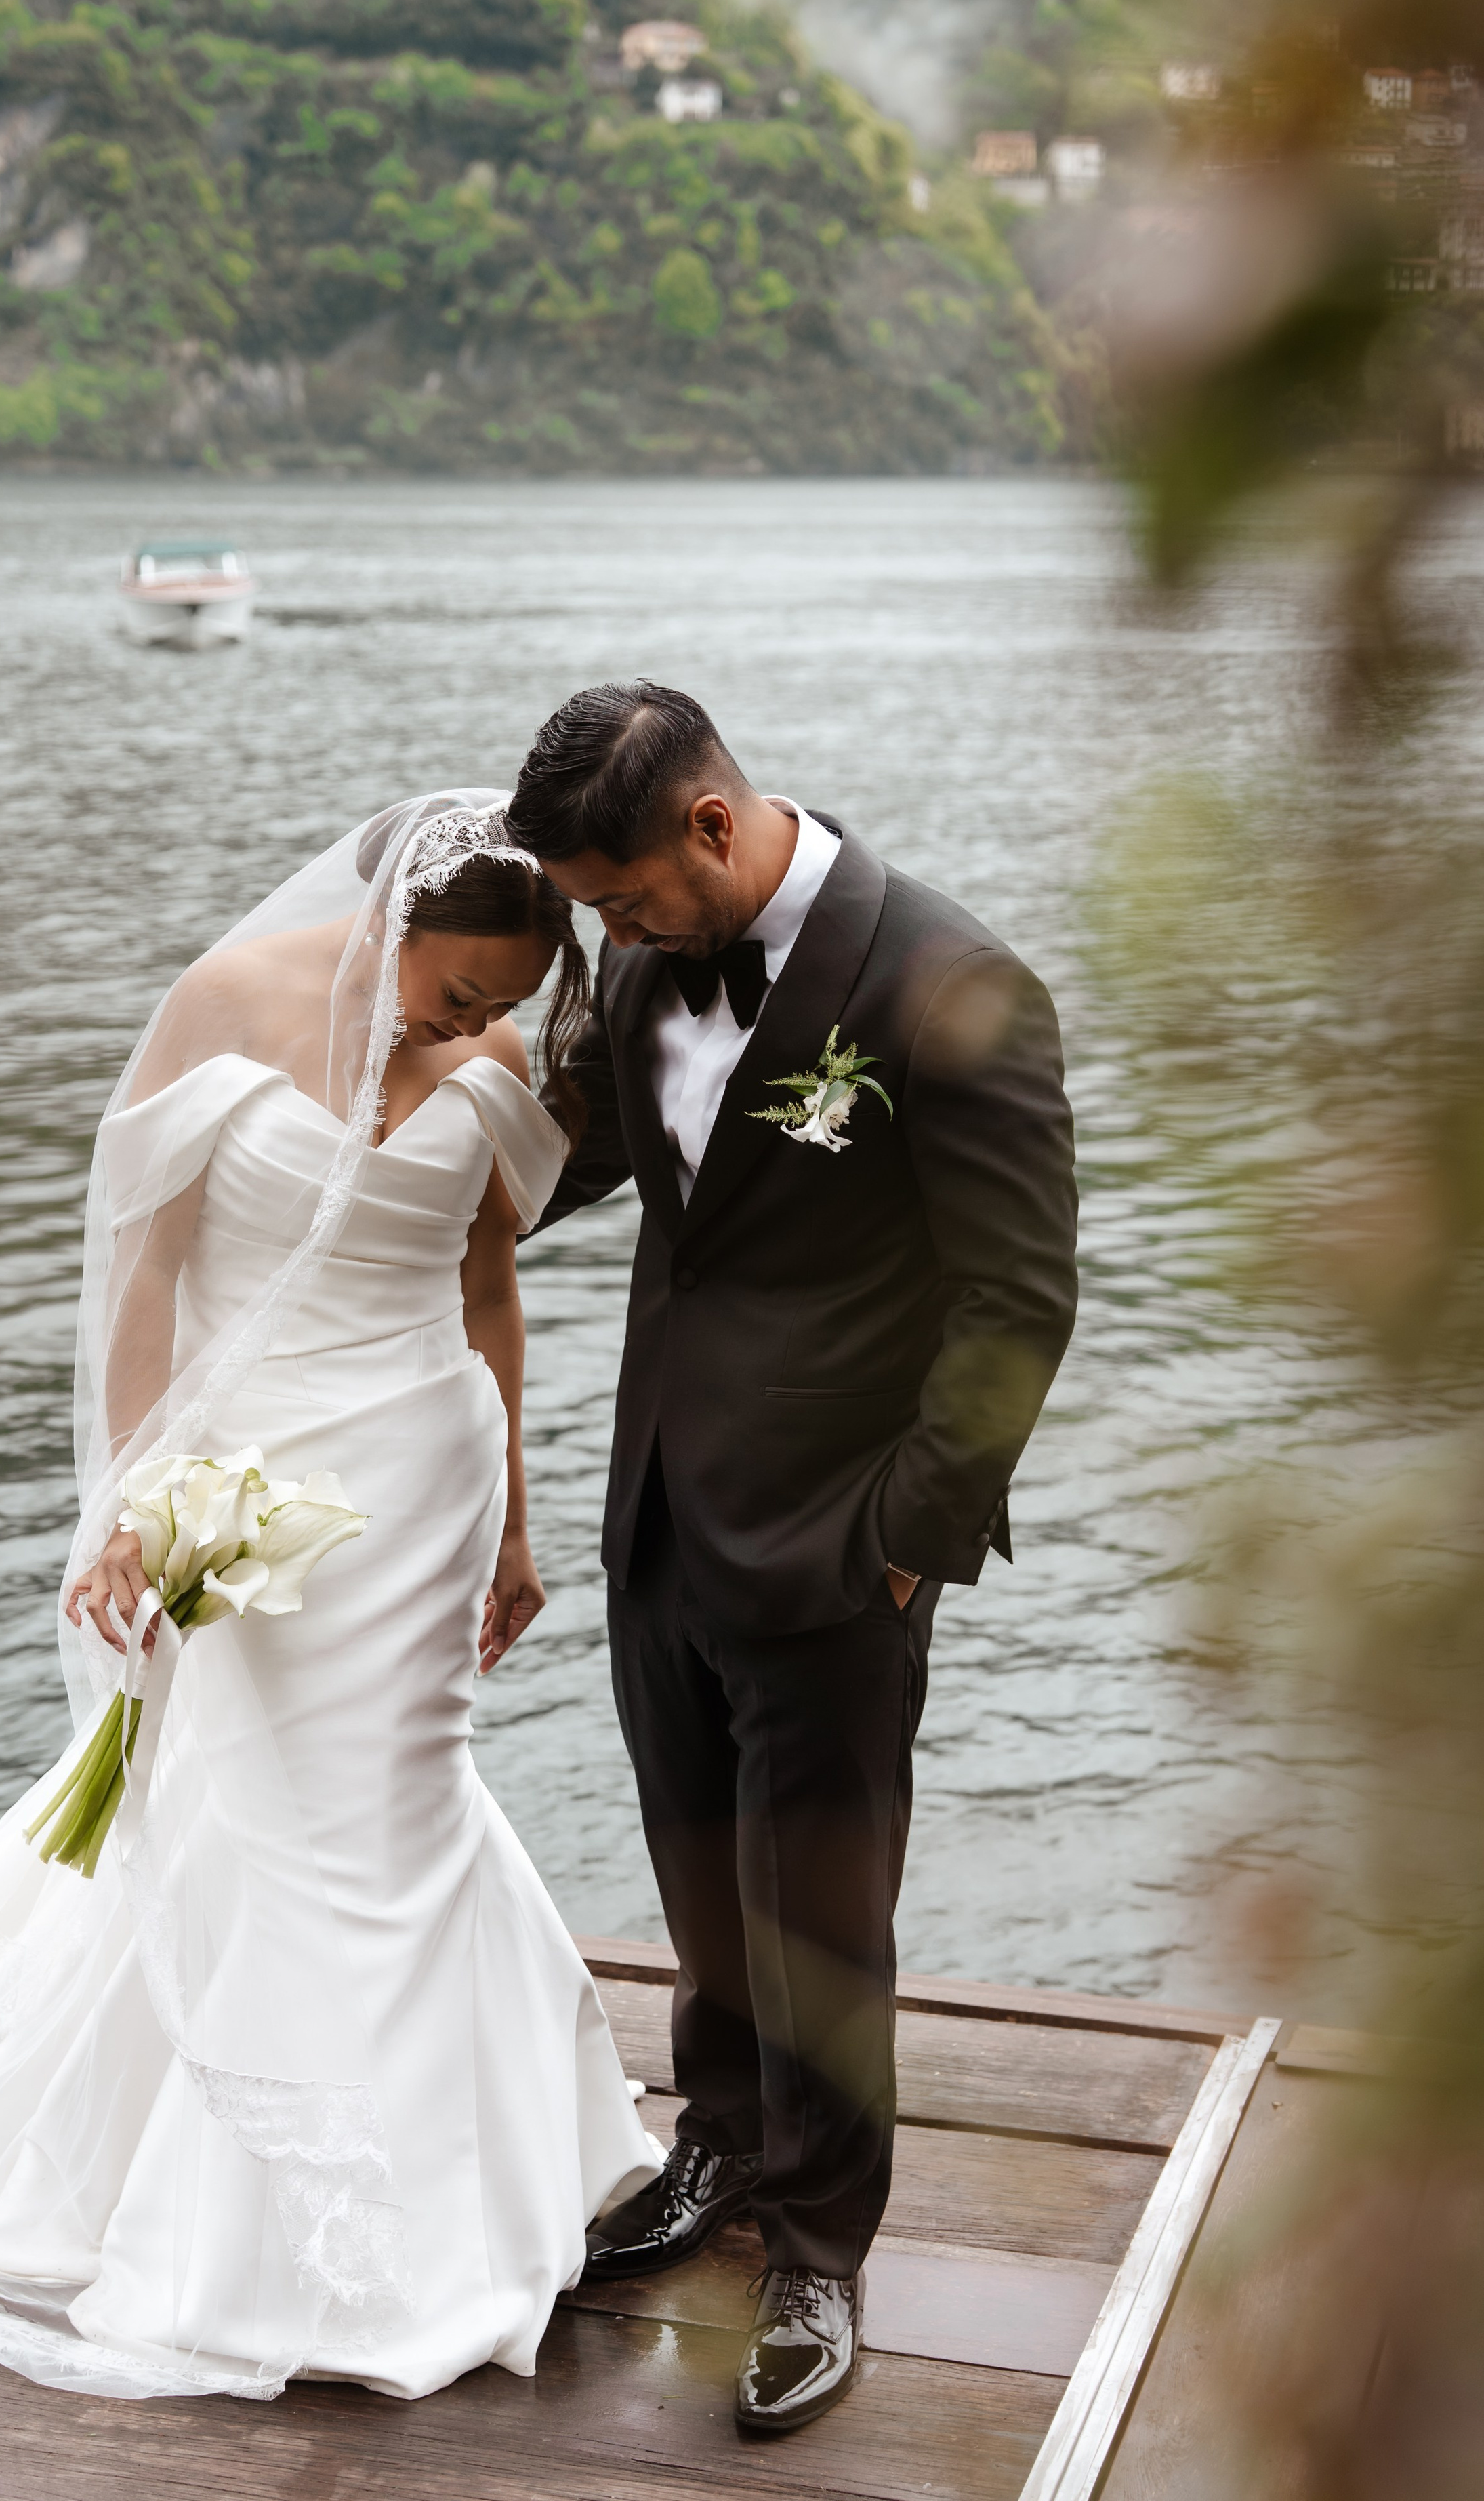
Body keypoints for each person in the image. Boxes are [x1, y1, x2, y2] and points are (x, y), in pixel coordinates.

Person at [0, 792, 659, 2402]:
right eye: (459, 989)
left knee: (400, 1801)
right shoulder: (226, 999)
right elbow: (151, 1273)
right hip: (240, 1474)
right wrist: (132, 1504)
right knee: (257, 1805)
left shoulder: (500, 1062)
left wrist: (516, 1524)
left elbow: (488, 1291)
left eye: (504, 1005)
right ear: (393, 923)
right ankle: (259, 2204)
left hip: (421, 1479)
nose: (474, 1025)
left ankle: (454, 2183)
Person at [506, 687, 1079, 2438]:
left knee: (820, 1910)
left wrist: (902, 1548)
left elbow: (1015, 1302)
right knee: (696, 1862)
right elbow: (582, 1158)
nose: (611, 936)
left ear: (711, 824)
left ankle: (820, 2251)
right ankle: (725, 2143)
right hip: (661, 1510)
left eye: (623, 898)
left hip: (839, 1543)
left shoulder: (950, 985)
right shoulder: (647, 964)